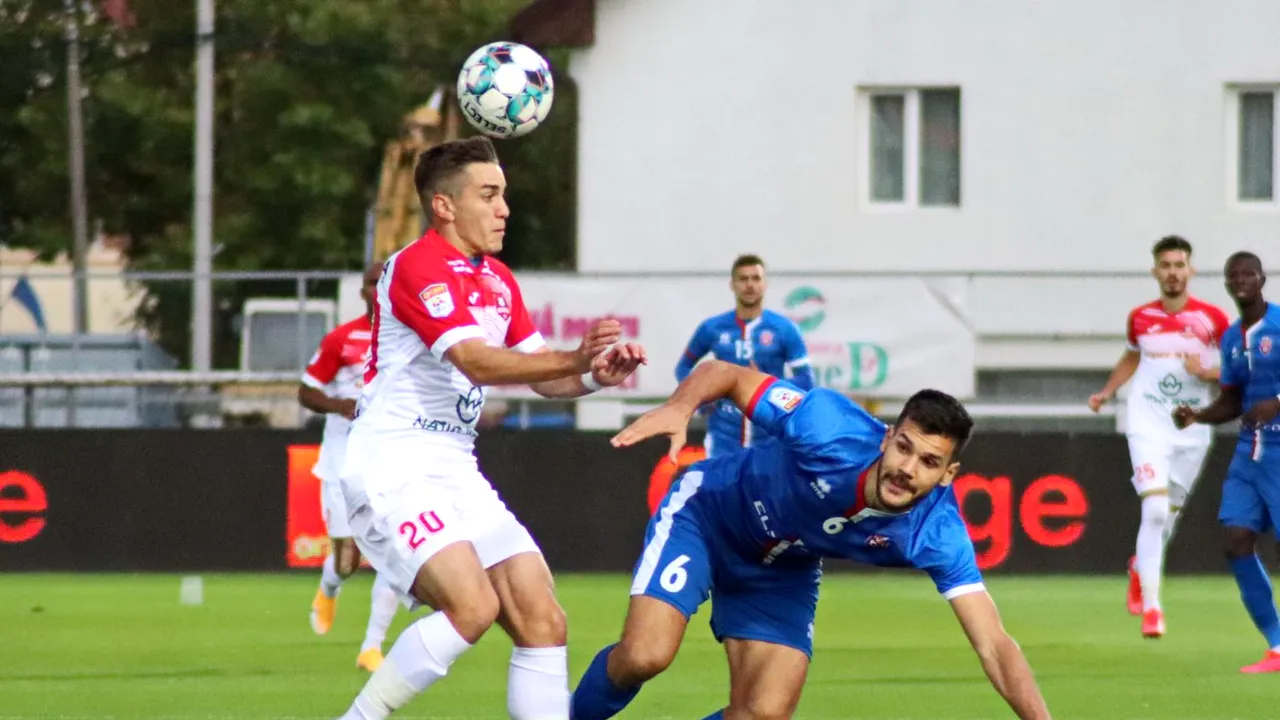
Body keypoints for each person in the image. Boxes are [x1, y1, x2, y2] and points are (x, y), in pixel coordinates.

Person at [335, 136, 646, 720]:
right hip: (394, 462)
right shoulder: (417, 265)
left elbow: (543, 378)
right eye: (489, 194)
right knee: (472, 608)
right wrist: (574, 357)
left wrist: (598, 375)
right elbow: (476, 361)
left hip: (455, 466)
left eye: (504, 195)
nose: (505, 208)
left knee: (543, 620)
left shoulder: (498, 281)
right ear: (444, 206)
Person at [572, 359, 1051, 720]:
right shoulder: (829, 427)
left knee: (765, 713)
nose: (907, 469)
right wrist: (680, 407)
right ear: (886, 438)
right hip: (710, 513)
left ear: (948, 475)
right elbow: (727, 374)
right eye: (904, 447)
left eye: (928, 462)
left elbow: (994, 645)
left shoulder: (938, 533)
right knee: (644, 656)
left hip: (783, 566)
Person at [1087, 235, 1230, 638]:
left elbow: (1237, 369)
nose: (1172, 272)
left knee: (1167, 517)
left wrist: (1207, 373)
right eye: (1165, 265)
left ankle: (1139, 567)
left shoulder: (1212, 320)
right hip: (1147, 421)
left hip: (1191, 427)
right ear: (1155, 271)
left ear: (1191, 270)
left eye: (1179, 264)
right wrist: (1108, 391)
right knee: (1153, 510)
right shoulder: (1141, 318)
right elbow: (1133, 355)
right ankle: (1153, 609)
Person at [1173, 251, 1280, 674]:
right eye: (1233, 276)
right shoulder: (1233, 337)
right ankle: (1276, 644)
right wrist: (1197, 415)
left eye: (1248, 274)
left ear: (1262, 279)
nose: (1241, 281)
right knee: (1235, 541)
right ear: (1226, 284)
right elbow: (1233, 400)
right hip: (1248, 455)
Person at [299, 264, 400, 672]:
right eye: (372, 283)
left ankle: (371, 647)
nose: (378, 290)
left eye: (385, 282)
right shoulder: (342, 339)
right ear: (362, 292)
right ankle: (328, 589)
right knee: (347, 560)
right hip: (344, 459)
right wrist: (337, 404)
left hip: (390, 460)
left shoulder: (409, 338)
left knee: (396, 552)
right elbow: (306, 391)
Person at [675, 254, 813, 457]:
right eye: (743, 279)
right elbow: (683, 368)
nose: (750, 285)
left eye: (756, 278)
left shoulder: (784, 329)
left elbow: (806, 380)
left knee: (767, 489)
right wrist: (701, 398)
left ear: (765, 284)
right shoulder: (712, 328)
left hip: (770, 438)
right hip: (723, 440)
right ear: (732, 284)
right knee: (720, 488)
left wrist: (769, 384)